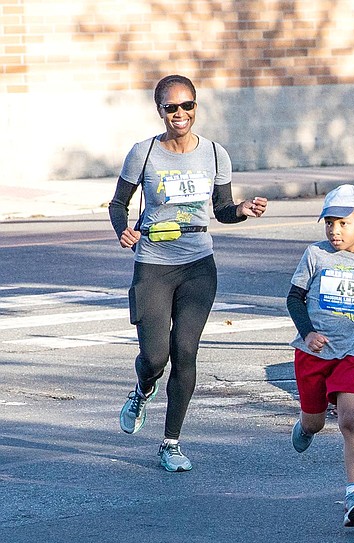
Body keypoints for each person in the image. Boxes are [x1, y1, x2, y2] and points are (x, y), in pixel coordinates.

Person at [109, 74, 267, 472]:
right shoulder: (143, 153)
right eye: (171, 107)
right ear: (159, 110)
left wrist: (242, 211)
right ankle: (142, 389)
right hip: (153, 266)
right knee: (154, 356)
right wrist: (122, 230)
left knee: (186, 352)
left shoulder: (215, 153)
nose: (180, 114)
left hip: (198, 266)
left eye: (187, 106)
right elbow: (117, 204)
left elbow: (223, 210)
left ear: (196, 107)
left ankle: (171, 443)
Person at [286, 184, 354, 526]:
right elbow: (293, 299)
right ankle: (306, 426)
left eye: (343, 223)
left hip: (352, 354)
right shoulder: (315, 255)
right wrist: (308, 333)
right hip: (313, 354)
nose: (334, 230)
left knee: (349, 420)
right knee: (315, 422)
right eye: (329, 223)